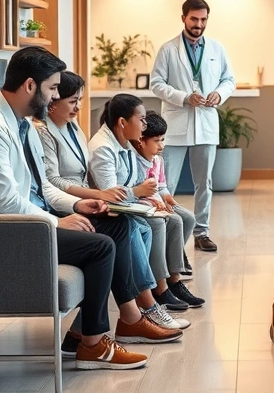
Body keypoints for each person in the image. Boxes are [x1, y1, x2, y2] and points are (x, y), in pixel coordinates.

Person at [0, 48, 179, 372]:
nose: (55, 96)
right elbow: (5, 203)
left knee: (117, 223)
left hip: (22, 223)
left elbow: (42, 187)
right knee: (100, 247)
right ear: (30, 85)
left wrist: (79, 204)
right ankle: (93, 343)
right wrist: (56, 222)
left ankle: (122, 321)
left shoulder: (21, 125)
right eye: (53, 88)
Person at [36, 72, 190, 343]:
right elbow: (52, 182)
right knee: (126, 228)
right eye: (72, 101)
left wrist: (100, 197)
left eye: (79, 100)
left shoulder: (73, 128)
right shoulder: (42, 132)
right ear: (53, 100)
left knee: (138, 225)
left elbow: (86, 177)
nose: (78, 107)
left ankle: (95, 328)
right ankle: (145, 308)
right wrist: (95, 196)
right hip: (64, 204)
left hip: (83, 199)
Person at [88, 94, 205, 312]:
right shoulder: (105, 147)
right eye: (141, 119)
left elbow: (145, 184)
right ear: (123, 122)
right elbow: (111, 194)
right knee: (160, 223)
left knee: (179, 219)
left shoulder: (124, 143)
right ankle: (160, 288)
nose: (144, 125)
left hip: (135, 200)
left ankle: (172, 280)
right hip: (118, 207)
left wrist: (150, 195)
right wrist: (140, 193)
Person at [150, 0, 235, 253]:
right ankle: (166, 229)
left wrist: (219, 94)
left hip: (206, 122)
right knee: (167, 182)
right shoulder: (168, 49)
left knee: (204, 183)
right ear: (183, 18)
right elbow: (156, 84)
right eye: (194, 19)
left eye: (203, 19)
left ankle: (201, 232)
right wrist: (184, 97)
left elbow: (228, 80)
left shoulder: (217, 49)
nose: (198, 24)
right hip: (176, 124)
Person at [131, 110, 197, 282]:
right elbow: (135, 191)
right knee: (174, 220)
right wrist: (155, 202)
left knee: (188, 217)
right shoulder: (134, 162)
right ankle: (170, 273)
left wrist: (168, 199)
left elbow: (162, 187)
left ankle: (173, 259)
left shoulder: (158, 160)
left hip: (156, 201)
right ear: (141, 141)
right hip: (142, 203)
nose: (161, 146)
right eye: (156, 141)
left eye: (162, 140)